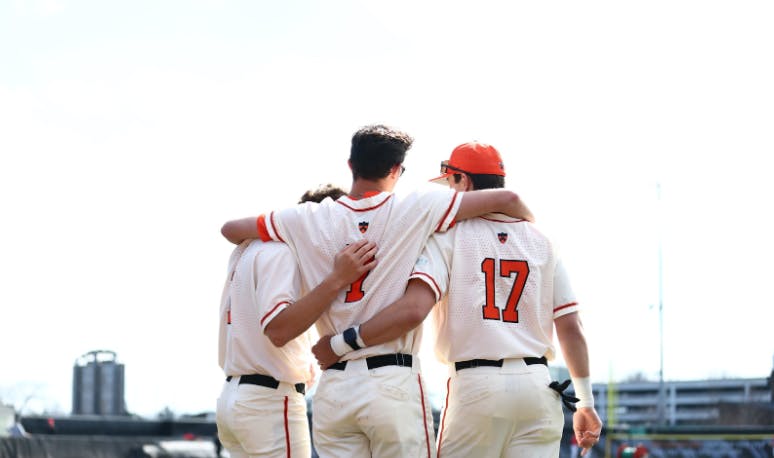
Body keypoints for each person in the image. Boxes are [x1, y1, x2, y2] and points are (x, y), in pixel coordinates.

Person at [220, 125, 535, 458]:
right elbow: (509, 199)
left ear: (351, 165)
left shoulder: (305, 217)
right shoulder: (416, 206)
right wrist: (529, 231)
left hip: (335, 383)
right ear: (396, 170)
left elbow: (231, 229)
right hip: (392, 379)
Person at [314, 142, 603, 457]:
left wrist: (341, 344)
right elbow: (572, 327)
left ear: (463, 181)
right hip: (537, 385)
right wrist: (585, 402)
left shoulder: (449, 234)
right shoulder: (542, 239)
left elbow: (413, 309)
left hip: (476, 384)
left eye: (450, 182)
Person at [216, 185, 377, 458]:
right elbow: (278, 330)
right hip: (268, 401)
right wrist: (337, 279)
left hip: (235, 398)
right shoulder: (283, 251)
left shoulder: (248, 248)